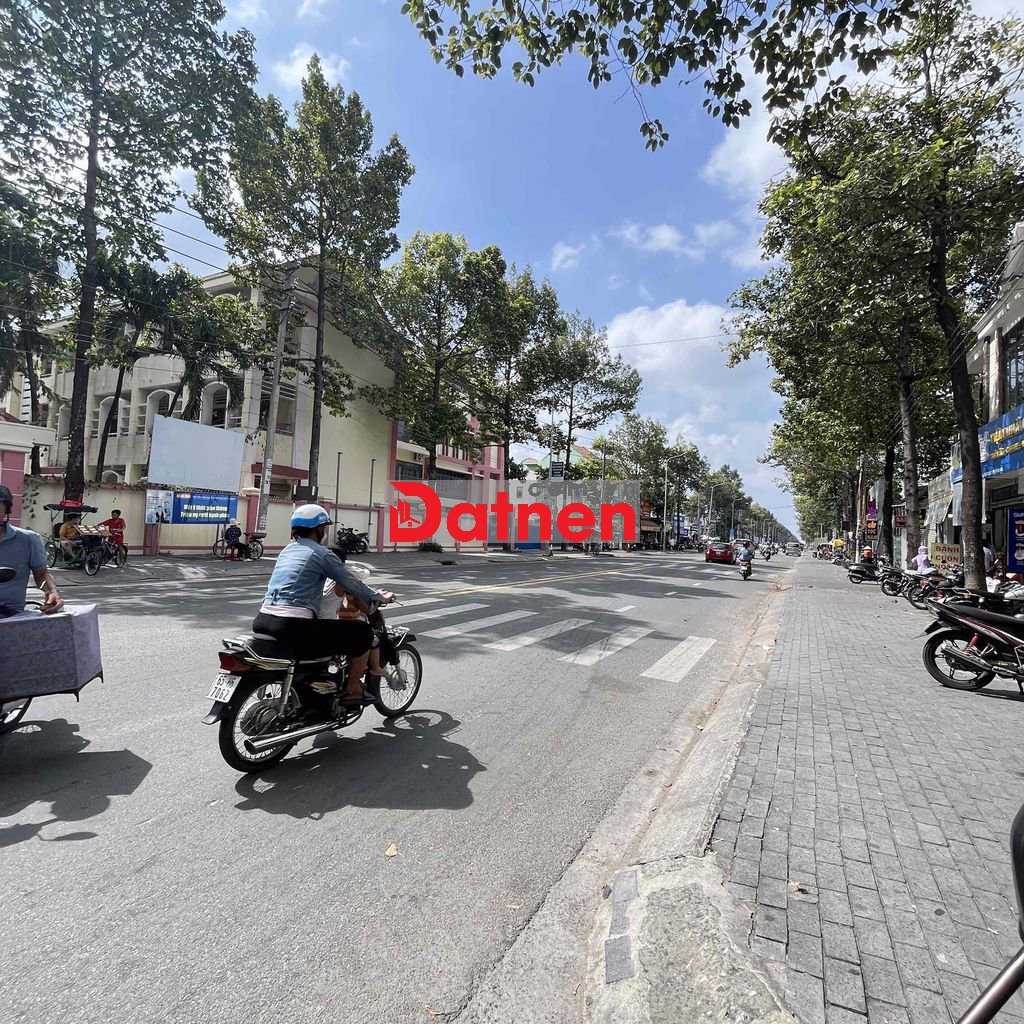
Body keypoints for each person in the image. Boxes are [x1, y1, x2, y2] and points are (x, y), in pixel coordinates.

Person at [255, 504, 394, 705]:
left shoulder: (287, 550)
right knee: (363, 633)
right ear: (320, 529)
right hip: (293, 625)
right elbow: (351, 582)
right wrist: (378, 596)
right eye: (325, 527)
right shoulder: (321, 553)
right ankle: (353, 689)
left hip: (263, 620)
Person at [0, 485, 63, 616]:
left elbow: (41, 574)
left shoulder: (28, 539)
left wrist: (52, 591)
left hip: (10, 614)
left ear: (6, 509)